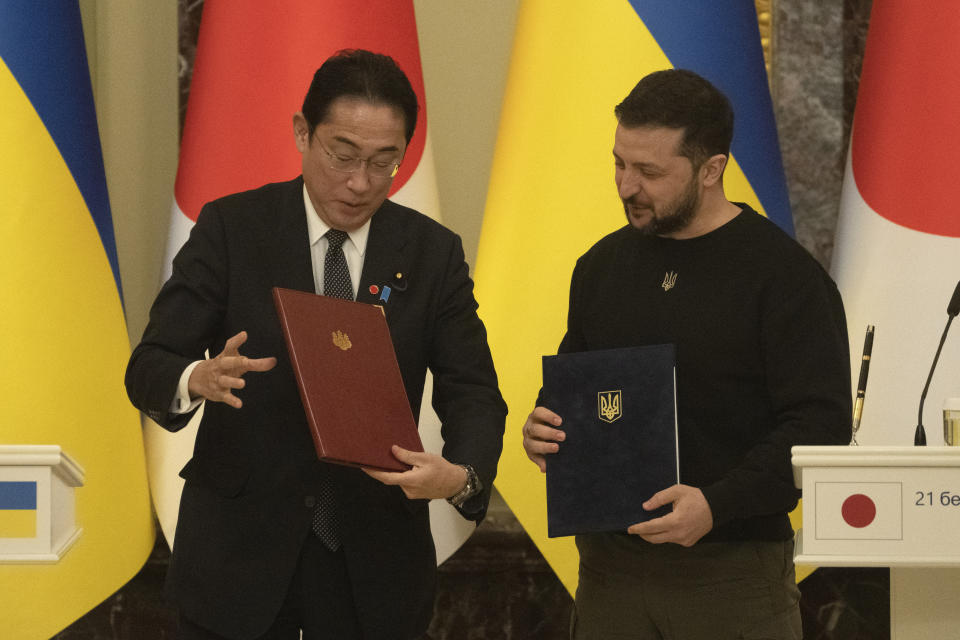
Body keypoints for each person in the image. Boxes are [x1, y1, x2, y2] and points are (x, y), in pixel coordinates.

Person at [126, 49, 506, 640]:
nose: (360, 184)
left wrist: (461, 476)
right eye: (343, 155)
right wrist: (194, 379)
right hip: (239, 557)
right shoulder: (234, 228)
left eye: (385, 163)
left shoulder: (432, 253)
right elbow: (149, 364)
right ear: (303, 133)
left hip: (374, 563)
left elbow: (475, 391)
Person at [521, 69, 851, 639]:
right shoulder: (601, 267)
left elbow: (821, 425)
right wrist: (546, 425)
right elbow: (581, 388)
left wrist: (716, 504)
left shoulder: (784, 277)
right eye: (620, 163)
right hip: (610, 574)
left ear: (711, 170)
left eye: (649, 171)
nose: (626, 185)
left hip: (730, 575)